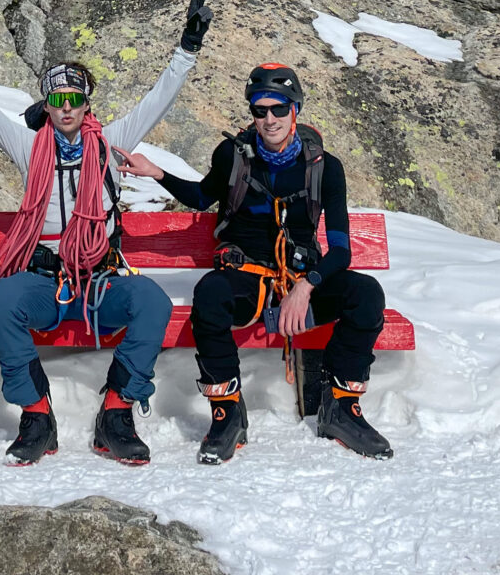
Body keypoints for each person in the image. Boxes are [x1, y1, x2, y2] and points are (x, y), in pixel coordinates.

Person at [0, 0, 214, 466]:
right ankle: (36, 414)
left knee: (151, 302)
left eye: (74, 98)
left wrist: (187, 48)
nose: (66, 107)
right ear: (46, 106)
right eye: (57, 99)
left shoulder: (111, 143)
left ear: (86, 104)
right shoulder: (29, 149)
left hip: (101, 279)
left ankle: (116, 412)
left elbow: (158, 101)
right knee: (4, 299)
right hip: (44, 282)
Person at [120, 64, 392, 464]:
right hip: (246, 280)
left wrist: (306, 286)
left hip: (300, 283)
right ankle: (227, 412)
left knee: (366, 295)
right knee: (210, 294)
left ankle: (341, 409)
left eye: (279, 109)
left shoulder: (324, 168)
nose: (269, 119)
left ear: (295, 109)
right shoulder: (233, 156)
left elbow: (341, 251)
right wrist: (158, 173)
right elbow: (200, 197)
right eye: (260, 110)